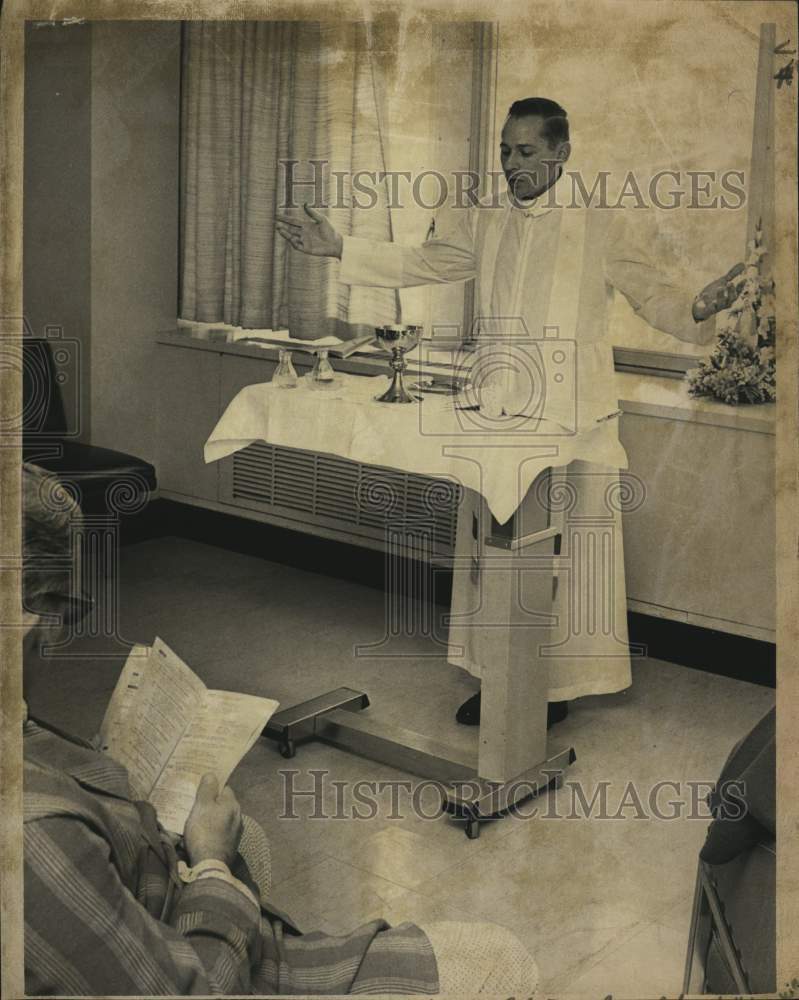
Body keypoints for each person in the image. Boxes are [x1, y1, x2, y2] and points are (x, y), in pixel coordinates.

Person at [276, 96, 744, 728]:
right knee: (491, 550)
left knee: (566, 557)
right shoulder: (485, 219)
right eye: (504, 150)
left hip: (571, 419)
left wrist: (698, 306)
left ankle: (554, 687)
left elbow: (653, 292)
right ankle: (497, 677)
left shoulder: (597, 223)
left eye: (525, 151)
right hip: (498, 413)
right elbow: (423, 262)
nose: (511, 163)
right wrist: (341, 249)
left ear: (561, 153)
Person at [20, 461, 538, 996]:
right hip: (223, 963)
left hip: (172, 917)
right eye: (66, 608)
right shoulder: (31, 842)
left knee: (256, 843)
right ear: (34, 615)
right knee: (499, 961)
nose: (59, 635)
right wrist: (215, 866)